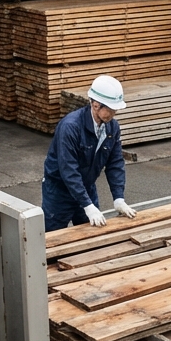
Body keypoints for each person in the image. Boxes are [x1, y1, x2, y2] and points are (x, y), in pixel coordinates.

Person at [41, 75, 137, 231]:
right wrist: (87, 205)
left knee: (92, 232)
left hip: (86, 187)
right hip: (59, 191)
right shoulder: (70, 127)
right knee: (53, 237)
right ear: (96, 105)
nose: (114, 113)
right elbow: (68, 170)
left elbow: (115, 163)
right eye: (111, 109)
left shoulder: (112, 127)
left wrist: (118, 197)